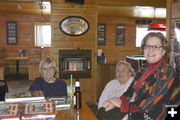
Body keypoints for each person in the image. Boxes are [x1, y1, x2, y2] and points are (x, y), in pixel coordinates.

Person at [97, 32, 177, 120]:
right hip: (140, 110)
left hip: (157, 115)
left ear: (164, 51)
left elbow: (151, 102)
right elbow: (130, 90)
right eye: (147, 46)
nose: (151, 50)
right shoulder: (144, 67)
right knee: (103, 111)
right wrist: (116, 101)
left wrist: (122, 105)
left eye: (156, 46)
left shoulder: (168, 72)